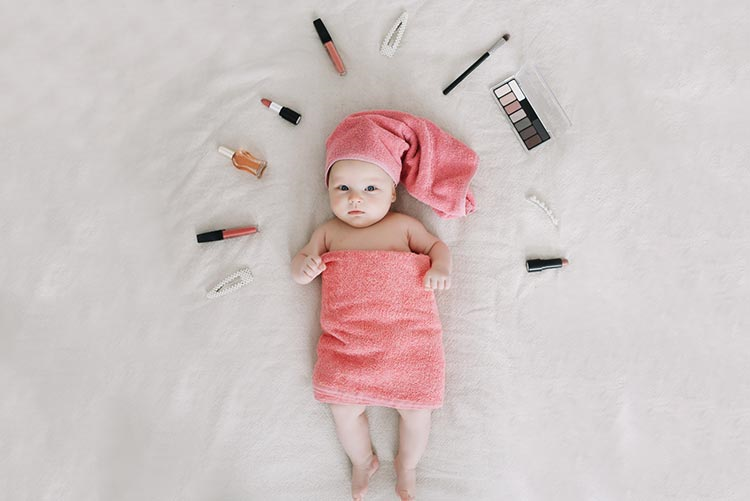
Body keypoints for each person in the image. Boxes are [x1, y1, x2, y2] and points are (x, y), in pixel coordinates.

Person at [291, 111, 478, 500]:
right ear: (327, 192)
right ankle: (363, 461)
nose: (354, 198)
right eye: (341, 188)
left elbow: (436, 247)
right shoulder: (327, 232)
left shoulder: (404, 226)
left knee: (417, 412)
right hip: (349, 344)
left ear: (393, 192)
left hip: (408, 344)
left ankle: (406, 468)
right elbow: (299, 266)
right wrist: (304, 267)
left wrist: (440, 265)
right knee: (342, 407)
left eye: (370, 189)